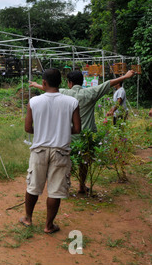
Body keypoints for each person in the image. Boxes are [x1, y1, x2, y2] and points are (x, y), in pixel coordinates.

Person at [29, 69, 136, 194]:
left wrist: (37, 85)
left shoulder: (64, 93)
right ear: (83, 81)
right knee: (84, 162)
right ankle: (81, 185)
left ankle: (62, 186)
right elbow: (108, 83)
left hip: (69, 135)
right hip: (86, 135)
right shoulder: (90, 93)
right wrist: (126, 76)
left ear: (69, 83)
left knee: (66, 161)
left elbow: (49, 90)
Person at [20, 68, 81, 234]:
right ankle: (48, 225)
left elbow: (27, 128)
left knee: (33, 186)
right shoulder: (71, 102)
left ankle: (28, 218)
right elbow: (77, 128)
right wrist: (61, 131)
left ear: (44, 83)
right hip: (61, 151)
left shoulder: (34, 102)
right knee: (55, 190)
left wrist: (41, 131)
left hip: (39, 150)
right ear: (61, 83)